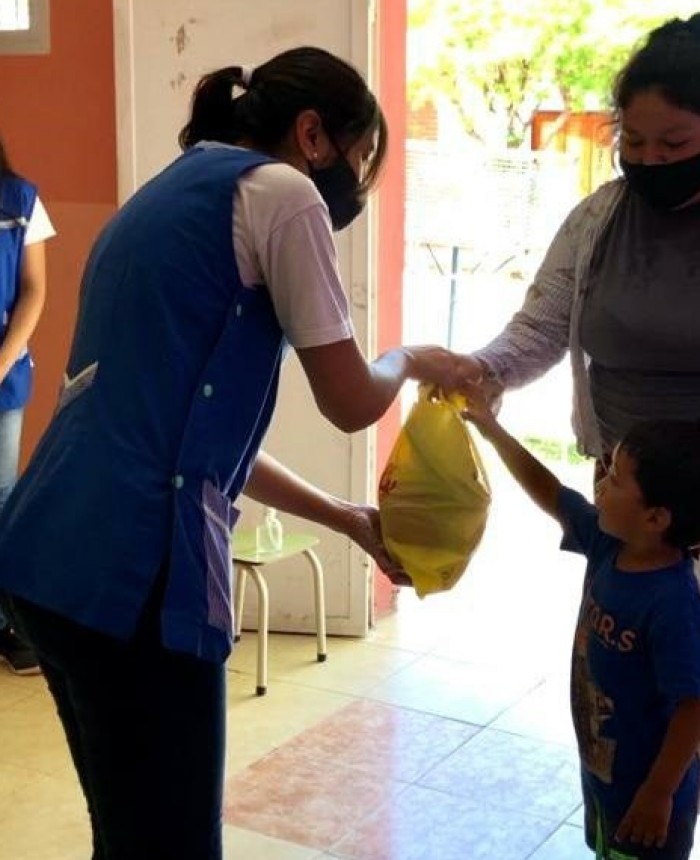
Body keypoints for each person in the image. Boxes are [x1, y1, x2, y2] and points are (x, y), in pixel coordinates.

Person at [0, 47, 456, 860]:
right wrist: (412, 359)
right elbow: (352, 399)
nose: (354, 185)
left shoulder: (170, 190)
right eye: (359, 160)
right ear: (312, 134)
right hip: (130, 572)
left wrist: (349, 519)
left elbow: (189, 447)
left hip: (46, 554)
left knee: (131, 833)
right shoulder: (283, 194)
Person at [432, 12, 700, 859]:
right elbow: (540, 327)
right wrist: (480, 371)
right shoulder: (599, 219)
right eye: (635, 140)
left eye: (675, 142)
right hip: (634, 498)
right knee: (628, 674)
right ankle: (630, 827)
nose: (650, 160)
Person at [464, 394, 700, 860]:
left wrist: (658, 795)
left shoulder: (674, 605)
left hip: (649, 796)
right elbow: (551, 492)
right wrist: (492, 430)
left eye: (613, 479)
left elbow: (695, 706)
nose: (599, 485)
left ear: (655, 518)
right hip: (604, 771)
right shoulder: (607, 543)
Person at [0, 136, 55, 676]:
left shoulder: (20, 203)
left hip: (3, 376)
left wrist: (0, 362)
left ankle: (12, 622)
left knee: (2, 497)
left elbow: (34, 291)